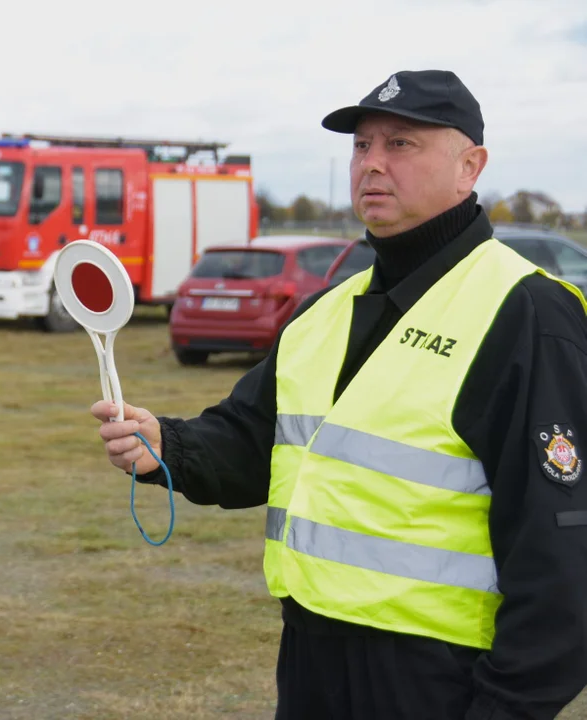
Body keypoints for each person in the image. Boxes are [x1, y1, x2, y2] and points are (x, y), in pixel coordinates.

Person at [93, 70, 587, 719]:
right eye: (361, 146)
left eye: (399, 145)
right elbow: (252, 439)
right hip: (310, 659)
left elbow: (563, 557)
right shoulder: (323, 311)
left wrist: (505, 706)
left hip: (439, 677)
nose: (371, 164)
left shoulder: (525, 316)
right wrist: (169, 446)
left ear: (470, 166)